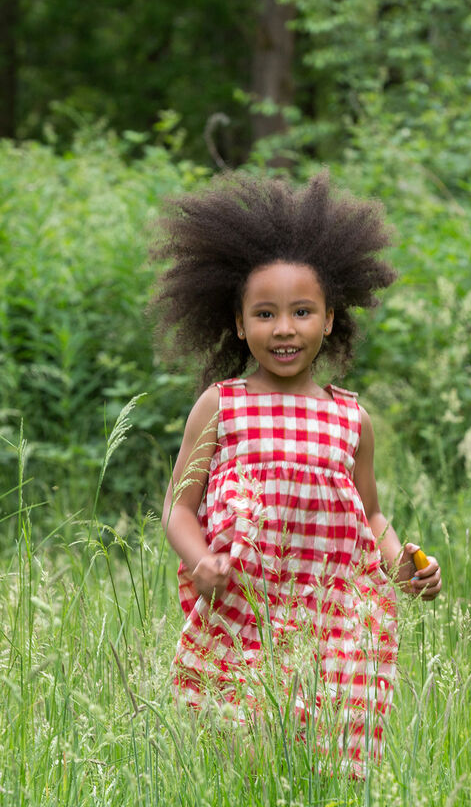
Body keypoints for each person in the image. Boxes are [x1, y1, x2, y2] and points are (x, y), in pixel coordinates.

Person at [152, 171, 441, 774]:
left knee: (323, 764)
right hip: (244, 607)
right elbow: (179, 507)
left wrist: (402, 564)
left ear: (330, 319)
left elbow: (370, 515)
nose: (284, 328)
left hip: (332, 616)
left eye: (302, 311)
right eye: (265, 314)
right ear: (237, 323)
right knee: (246, 755)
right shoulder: (221, 404)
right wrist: (200, 557)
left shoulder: (349, 417)